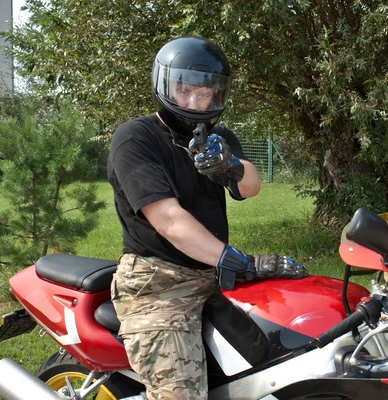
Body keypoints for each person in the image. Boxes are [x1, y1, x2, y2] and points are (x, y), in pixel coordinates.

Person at [107, 36, 309, 400]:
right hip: (157, 283)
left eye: (206, 94)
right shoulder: (135, 138)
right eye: (185, 92)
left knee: (289, 352)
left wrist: (229, 165)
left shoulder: (217, 137)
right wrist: (239, 261)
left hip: (210, 273)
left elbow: (251, 186)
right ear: (165, 86)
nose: (195, 103)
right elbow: (168, 219)